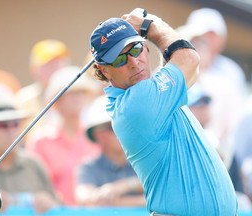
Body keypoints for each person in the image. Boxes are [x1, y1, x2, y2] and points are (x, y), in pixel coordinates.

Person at [88, 8, 237, 215]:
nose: (133, 62)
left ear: (145, 48)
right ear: (104, 69)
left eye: (135, 49)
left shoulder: (149, 96)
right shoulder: (137, 103)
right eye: (120, 59)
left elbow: (186, 72)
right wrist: (151, 26)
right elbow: (188, 57)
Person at [0, 95, 60, 214]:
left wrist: (49, 203)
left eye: (15, 124)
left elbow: (59, 207)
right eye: (2, 125)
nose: (10, 131)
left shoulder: (34, 164)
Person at [26, 65, 101, 206]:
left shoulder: (95, 135)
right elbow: (36, 185)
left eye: (82, 93)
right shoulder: (41, 140)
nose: (77, 98)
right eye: (71, 93)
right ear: (56, 101)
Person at [176, 8, 247, 156]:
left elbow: (235, 124)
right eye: (199, 39)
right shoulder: (176, 73)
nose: (207, 42)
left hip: (218, 153)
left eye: (212, 36)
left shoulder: (230, 74)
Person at [75, 96, 145, 207]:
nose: (122, 132)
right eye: (112, 127)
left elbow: (165, 194)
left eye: (125, 125)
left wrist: (125, 186)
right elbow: (87, 199)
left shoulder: (145, 162)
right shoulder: (89, 167)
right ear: (97, 135)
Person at [16, 39, 71, 119]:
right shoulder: (24, 100)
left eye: (59, 63)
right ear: (34, 70)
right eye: (50, 65)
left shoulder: (79, 95)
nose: (56, 69)